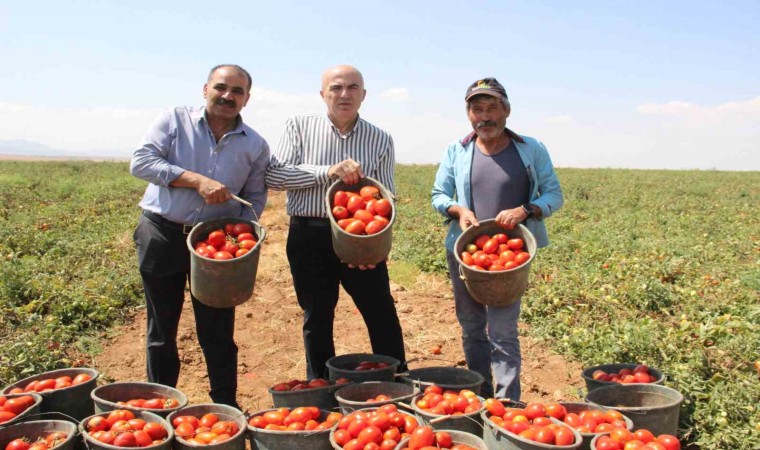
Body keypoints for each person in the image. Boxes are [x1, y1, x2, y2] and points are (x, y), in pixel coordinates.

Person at [130, 64, 269, 408]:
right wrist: (194, 180)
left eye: (237, 91)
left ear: (247, 99)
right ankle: (161, 403)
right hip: (162, 233)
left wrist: (237, 242)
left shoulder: (255, 145)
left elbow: (254, 200)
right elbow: (141, 162)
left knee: (218, 329)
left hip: (215, 245)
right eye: (221, 87)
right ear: (205, 89)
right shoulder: (173, 121)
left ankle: (225, 405)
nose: (228, 96)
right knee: (161, 329)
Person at [266, 64, 406, 380]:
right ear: (322, 93)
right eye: (336, 87)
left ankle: (397, 379)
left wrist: (372, 246)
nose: (344, 94)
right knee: (317, 316)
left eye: (353, 88)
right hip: (309, 234)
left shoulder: (380, 138)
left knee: (381, 312)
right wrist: (327, 171)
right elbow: (275, 176)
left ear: (364, 95)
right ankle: (321, 386)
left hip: (359, 235)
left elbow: (386, 199)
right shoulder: (298, 127)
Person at [431, 77, 564, 400]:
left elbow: (554, 195)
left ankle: (507, 403)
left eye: (492, 108)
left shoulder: (531, 149)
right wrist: (457, 210)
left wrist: (527, 209)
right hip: (466, 252)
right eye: (478, 109)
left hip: (512, 254)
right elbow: (438, 195)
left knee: (503, 331)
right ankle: (479, 394)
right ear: (469, 114)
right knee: (472, 327)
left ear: (507, 111)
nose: (485, 116)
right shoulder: (457, 149)